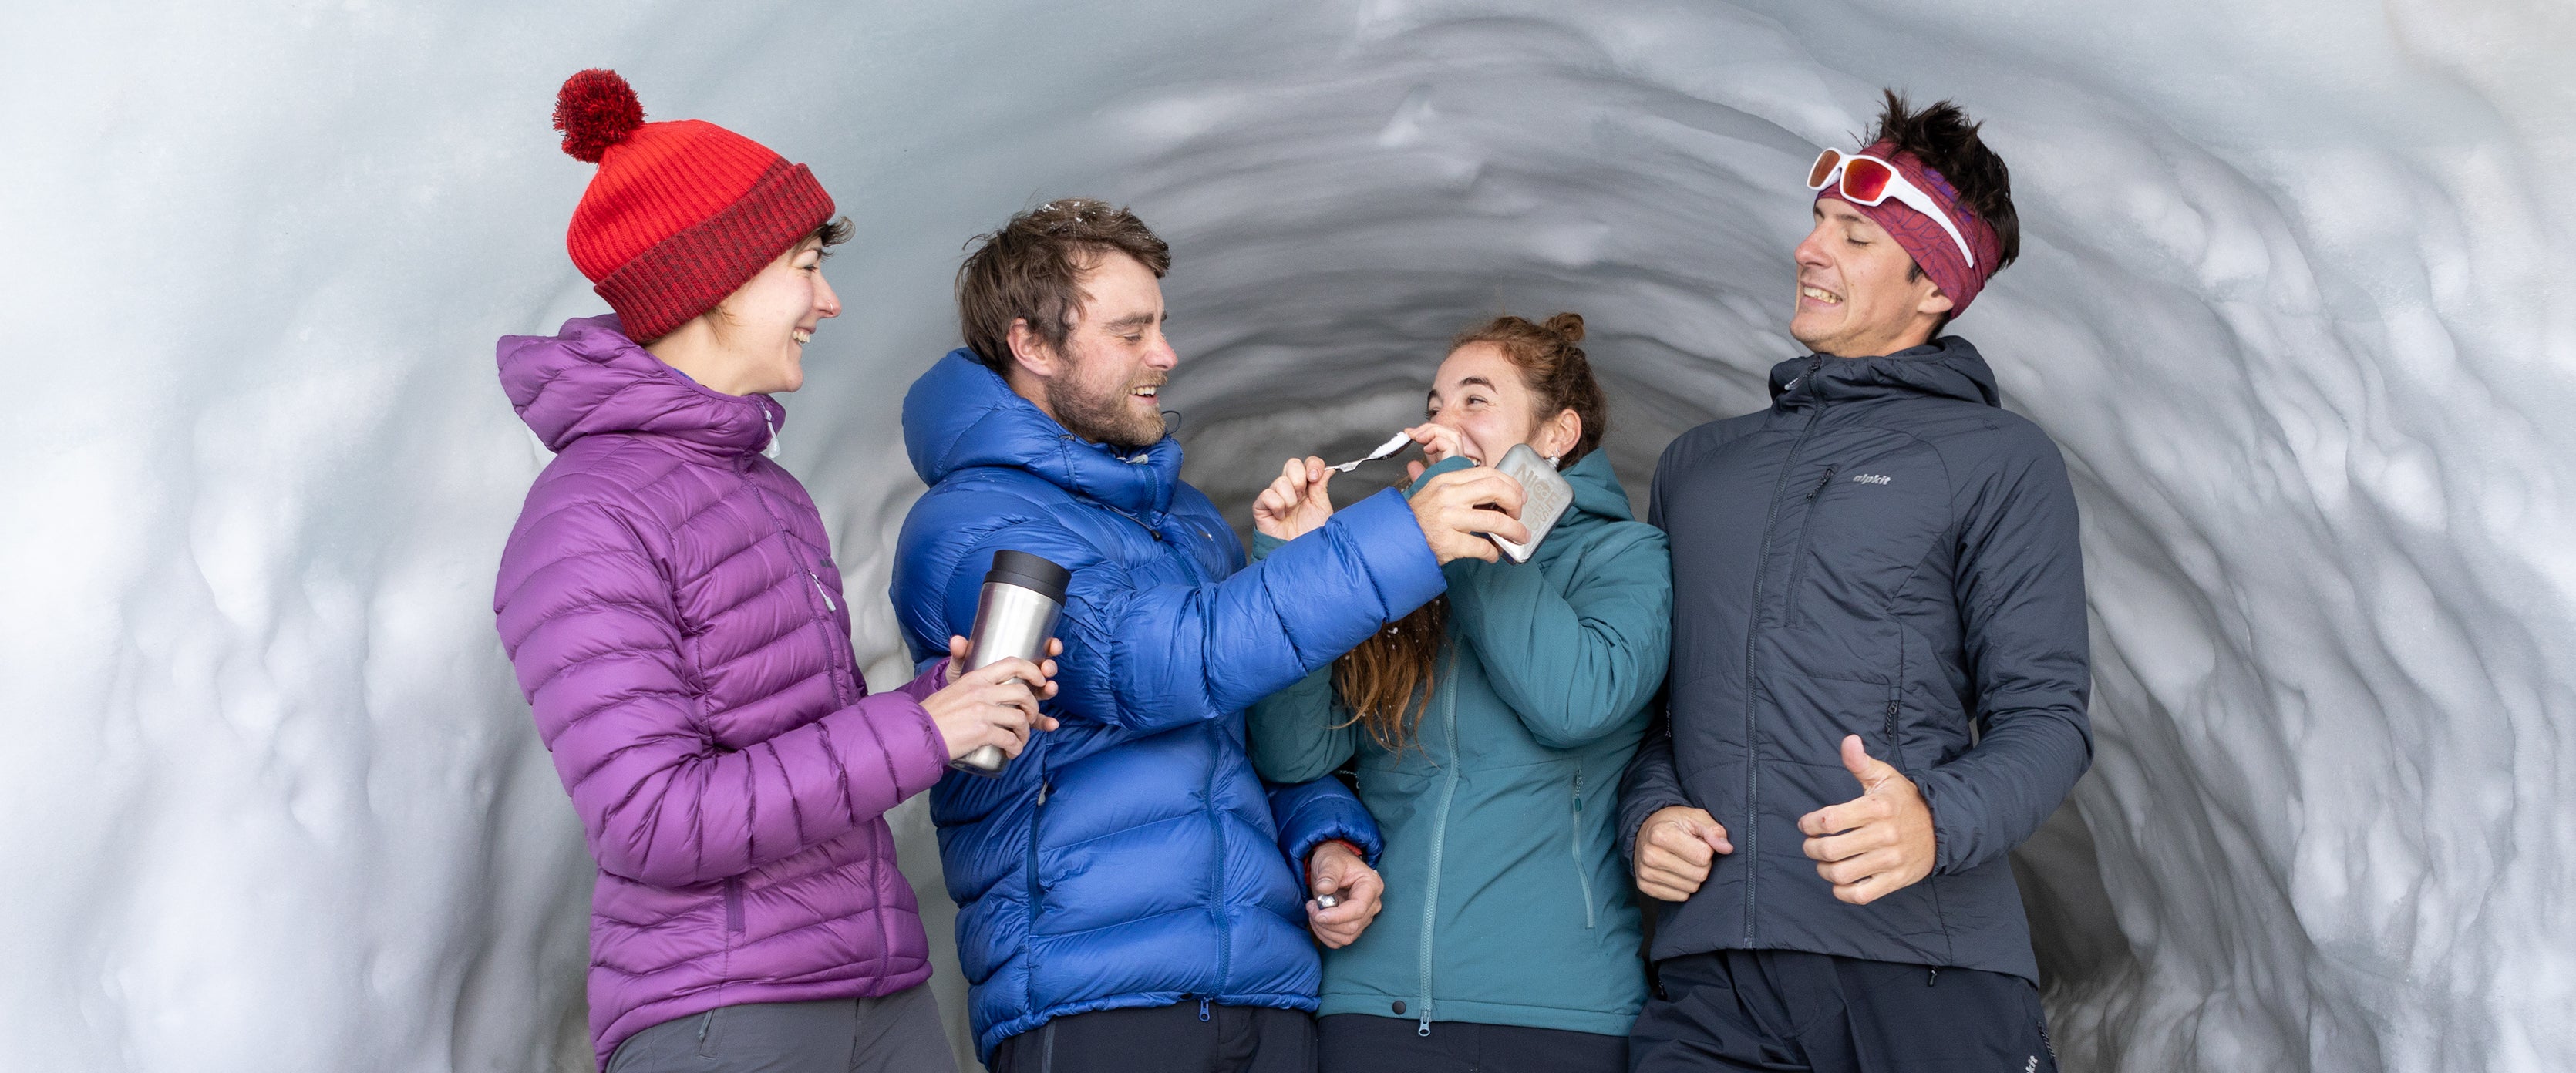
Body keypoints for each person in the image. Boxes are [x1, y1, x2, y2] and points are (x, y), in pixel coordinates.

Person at [493, 70, 1056, 1073]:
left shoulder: (762, 489)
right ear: (718, 281)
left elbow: (795, 745)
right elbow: (651, 819)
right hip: (721, 1012)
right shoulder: (588, 516)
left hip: (873, 987)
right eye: (803, 264)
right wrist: (920, 731)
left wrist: (955, 699)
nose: (828, 300)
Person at [889, 198, 1535, 1073]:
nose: (1165, 354)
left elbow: (1239, 727)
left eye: (1161, 324)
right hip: (1094, 997)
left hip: (1259, 991)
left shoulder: (1184, 520)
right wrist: (1399, 540)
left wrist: (1322, 836)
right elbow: (1154, 663)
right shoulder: (970, 524)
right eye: (1130, 332)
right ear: (1032, 346)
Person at [1617, 91, 2091, 1072]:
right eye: (1817, 224)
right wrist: (1648, 815)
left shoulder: (1998, 459)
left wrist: (1935, 820)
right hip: (1714, 978)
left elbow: (2046, 718)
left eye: (1855, 237)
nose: (1808, 250)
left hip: (1923, 971)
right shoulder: (1699, 467)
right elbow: (1653, 716)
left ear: (1933, 290)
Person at [1247, 313, 1672, 1073]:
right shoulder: (1404, 572)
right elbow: (1295, 751)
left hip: (1556, 1011)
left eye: (1474, 401)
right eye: (1435, 404)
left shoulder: (1625, 557)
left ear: (1556, 433)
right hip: (1370, 1004)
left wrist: (1460, 527)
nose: (1439, 425)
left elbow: (1571, 704)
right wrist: (1302, 570)